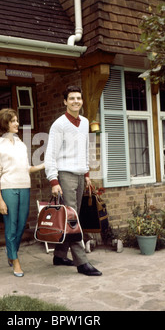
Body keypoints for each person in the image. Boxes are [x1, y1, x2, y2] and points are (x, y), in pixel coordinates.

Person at [44, 85, 102, 276]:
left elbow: (85, 150)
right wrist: (54, 181)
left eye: (79, 98)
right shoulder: (59, 125)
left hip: (79, 174)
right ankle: (82, 262)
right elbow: (50, 155)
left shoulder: (85, 123)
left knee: (72, 215)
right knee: (72, 219)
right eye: (72, 98)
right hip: (65, 175)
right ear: (65, 102)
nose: (76, 101)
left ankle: (59, 255)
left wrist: (87, 175)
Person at [0, 108, 44, 277]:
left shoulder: (21, 144)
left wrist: (44, 164)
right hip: (8, 189)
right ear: (4, 123)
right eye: (13, 121)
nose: (17, 124)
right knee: (11, 225)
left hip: (24, 187)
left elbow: (26, 168)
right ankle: (15, 259)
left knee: (21, 225)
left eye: (16, 120)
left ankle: (11, 253)